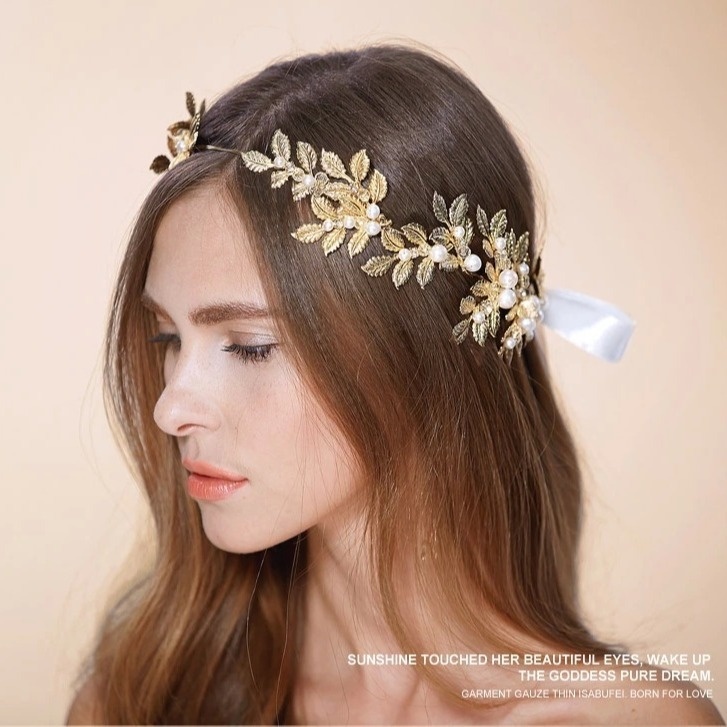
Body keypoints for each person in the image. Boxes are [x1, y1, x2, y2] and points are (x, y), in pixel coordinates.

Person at [66, 43, 724, 725]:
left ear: (418, 352)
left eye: (250, 347)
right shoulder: (137, 702)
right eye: (168, 339)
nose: (170, 408)